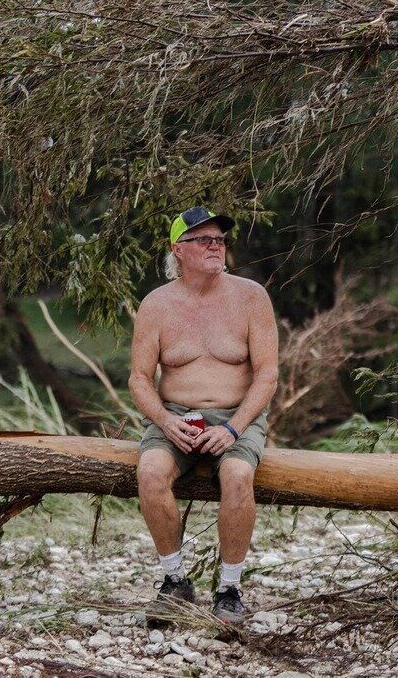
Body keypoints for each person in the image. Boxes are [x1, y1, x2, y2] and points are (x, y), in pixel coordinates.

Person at [129, 206, 279, 626]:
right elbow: (140, 378)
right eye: (203, 239)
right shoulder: (156, 305)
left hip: (238, 415)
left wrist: (233, 428)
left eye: (220, 239)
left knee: (236, 475)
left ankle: (229, 589)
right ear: (178, 249)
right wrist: (164, 421)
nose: (216, 245)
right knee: (151, 473)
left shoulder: (251, 297)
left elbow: (267, 373)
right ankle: (175, 580)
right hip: (176, 415)